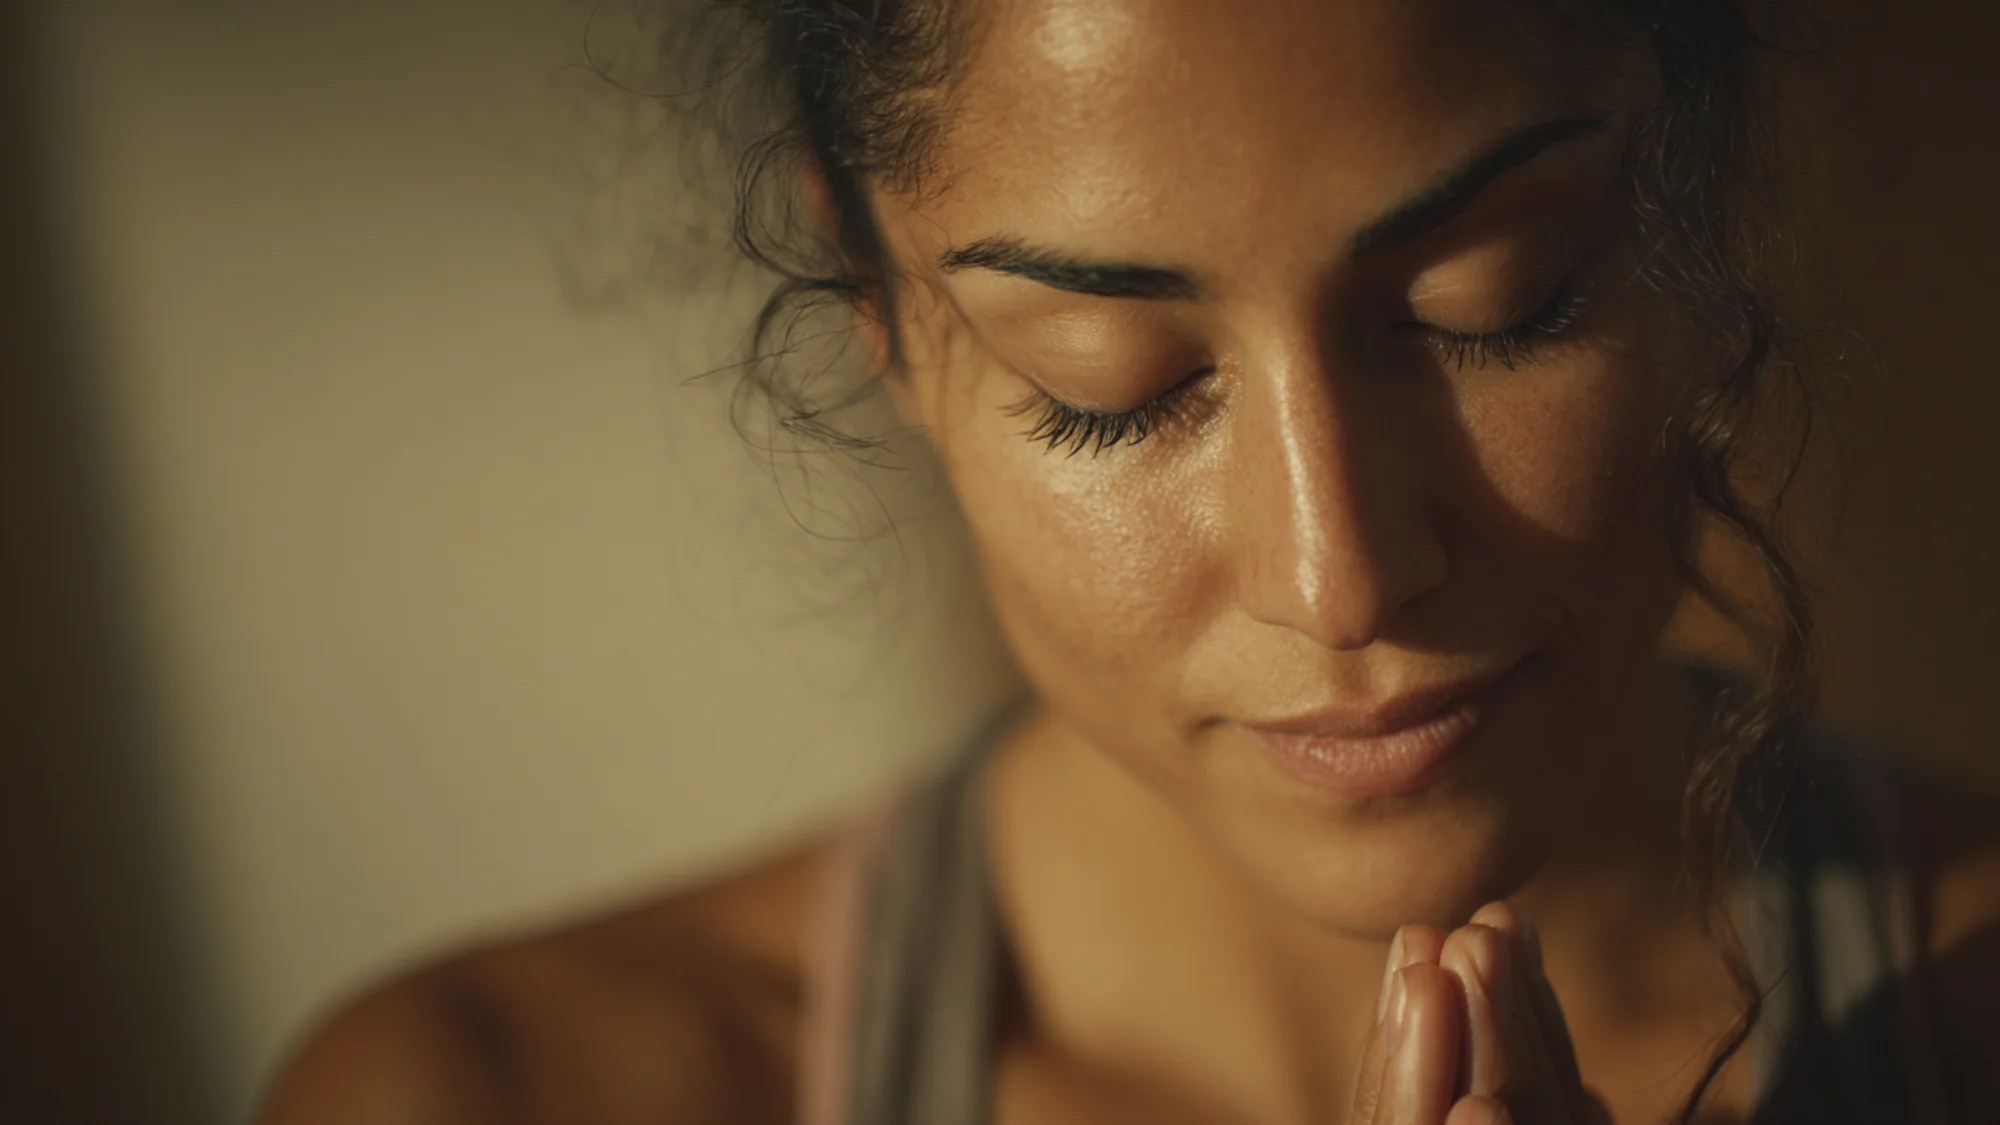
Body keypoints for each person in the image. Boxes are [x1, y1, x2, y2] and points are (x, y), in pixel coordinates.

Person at [256, 1, 2000, 1122]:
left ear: (1699, 203)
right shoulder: (490, 1095)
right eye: (1114, 394)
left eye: (1496, 304)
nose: (1341, 578)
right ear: (878, 312)